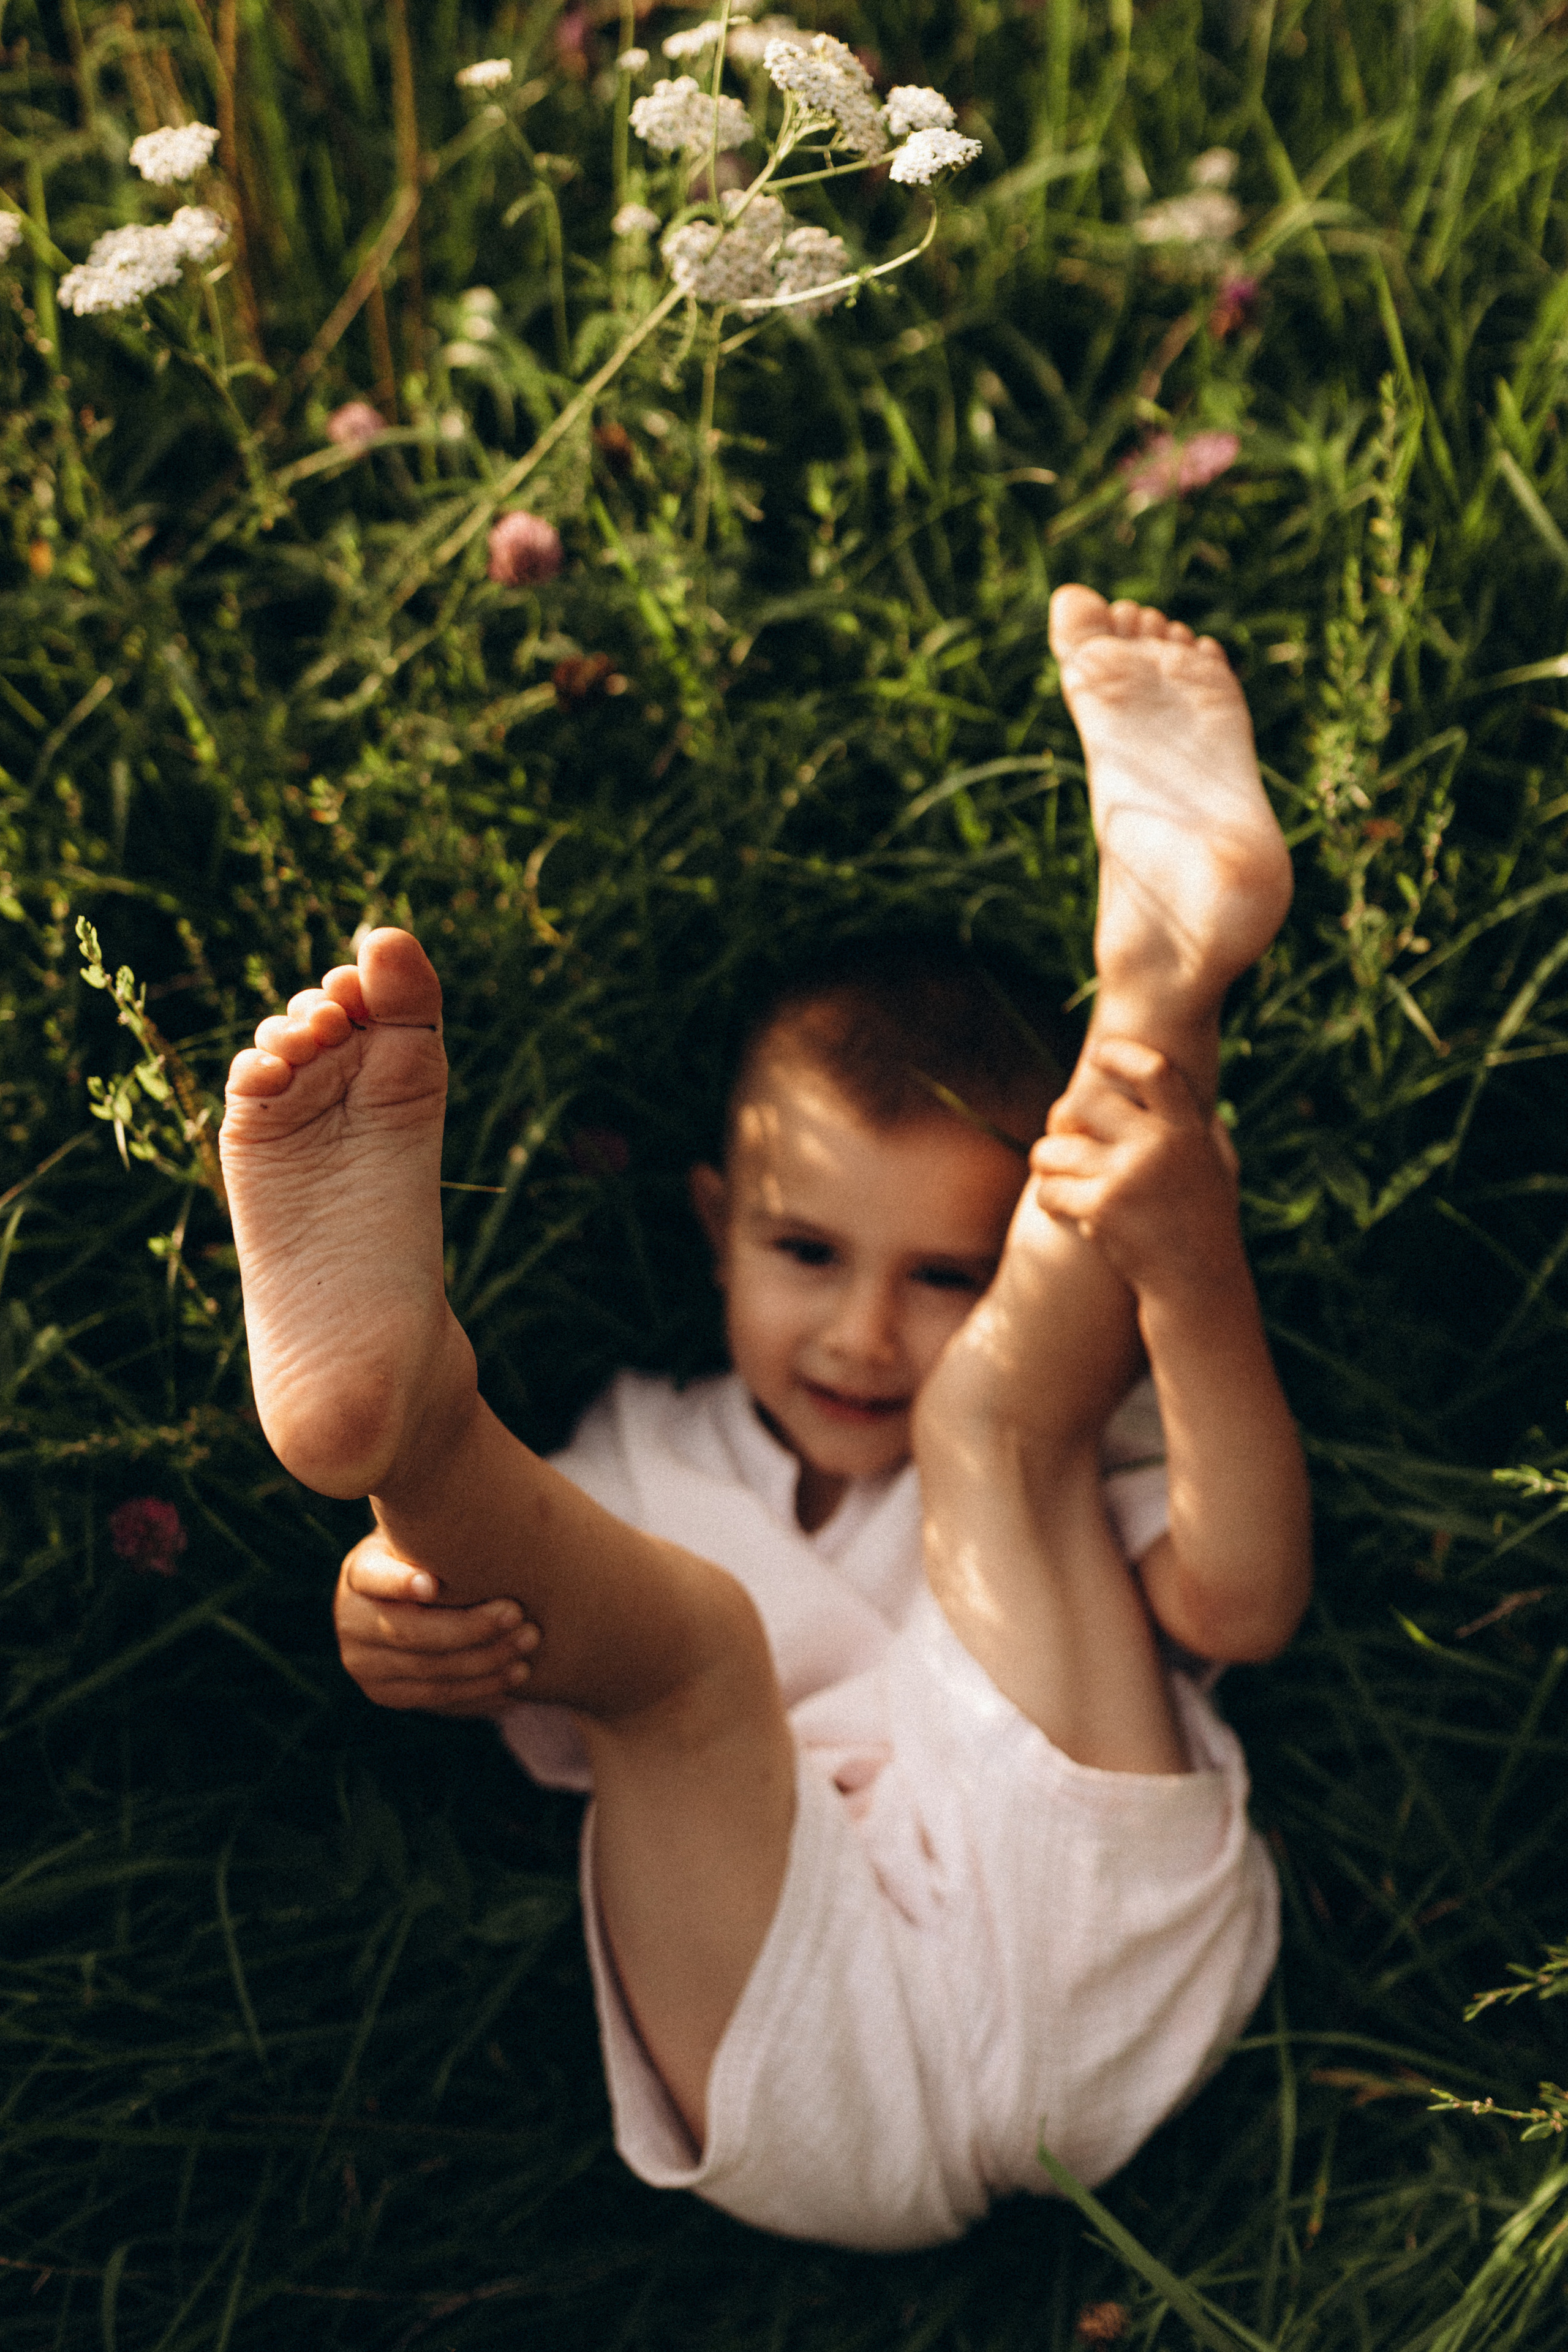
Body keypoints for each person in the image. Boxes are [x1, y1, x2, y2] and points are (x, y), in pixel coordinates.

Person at [220, 586, 1311, 2251]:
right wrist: (401, 1602)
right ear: (718, 1223)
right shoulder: (637, 1457)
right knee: (680, 1658)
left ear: (1021, 1264)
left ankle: (1167, 971)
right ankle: (410, 1431)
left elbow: (1241, 1600)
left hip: (1092, 1918)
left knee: (986, 1441)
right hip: (800, 2032)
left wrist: (1192, 1280)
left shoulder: (1069, 1441)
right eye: (809, 1252)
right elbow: (517, 1628)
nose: (870, 1333)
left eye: (953, 1275)